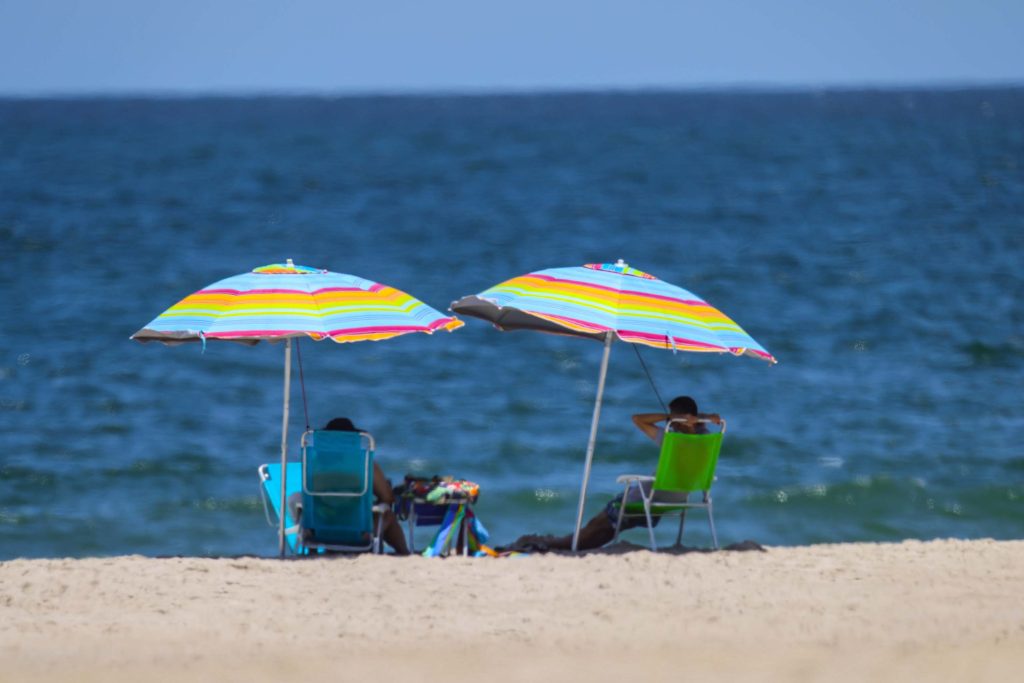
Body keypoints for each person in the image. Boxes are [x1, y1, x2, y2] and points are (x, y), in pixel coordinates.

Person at [509, 396, 721, 552]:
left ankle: (556, 543)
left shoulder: (671, 440)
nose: (667, 423)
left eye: (671, 418)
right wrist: (701, 419)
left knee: (598, 525)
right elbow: (695, 428)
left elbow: (638, 419)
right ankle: (563, 543)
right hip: (675, 500)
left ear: (680, 419)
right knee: (606, 530)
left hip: (647, 499)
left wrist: (672, 418)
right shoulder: (706, 441)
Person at [290, 417, 410, 555]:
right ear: (353, 440)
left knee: (297, 498)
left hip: (321, 531)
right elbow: (388, 497)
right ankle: (403, 552)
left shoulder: (314, 464)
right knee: (387, 513)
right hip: (357, 533)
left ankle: (312, 547)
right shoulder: (365, 464)